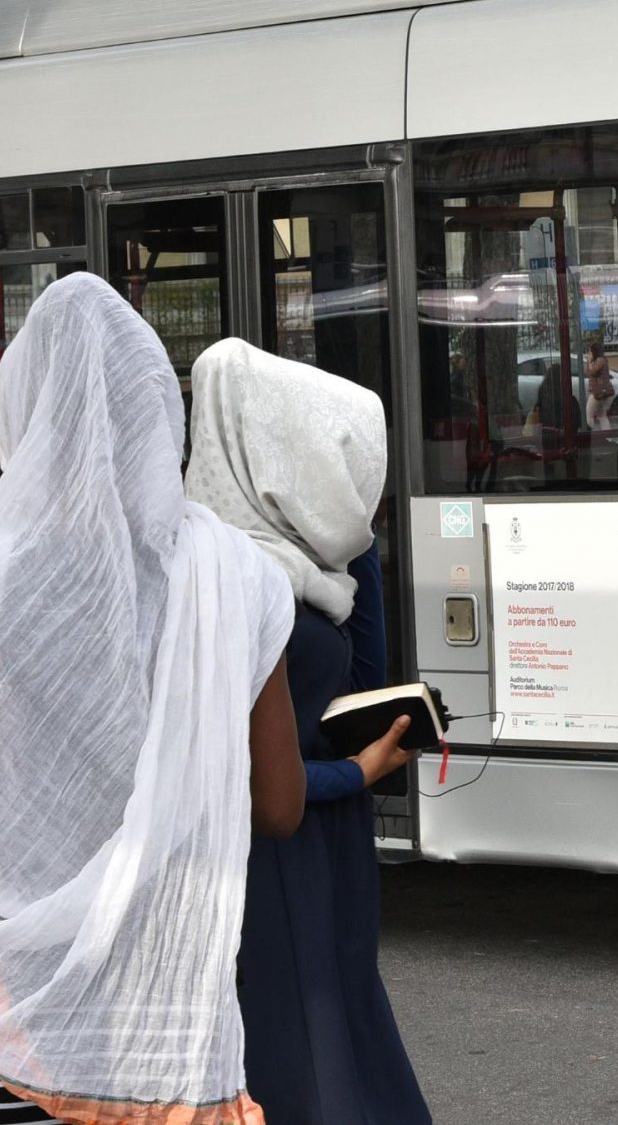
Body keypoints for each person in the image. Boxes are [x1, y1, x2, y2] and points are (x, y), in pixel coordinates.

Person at [0, 273, 304, 1124]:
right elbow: (277, 806)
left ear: (16, 415)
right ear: (155, 412)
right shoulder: (235, 580)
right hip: (160, 1017)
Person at [185, 339, 433, 1125]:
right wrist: (354, 776)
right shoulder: (220, 580)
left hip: (329, 844)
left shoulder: (309, 567)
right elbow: (251, 779)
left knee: (342, 1017)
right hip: (268, 851)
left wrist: (356, 555)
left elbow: (365, 687)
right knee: (300, 1054)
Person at [583, 338, 615, 430]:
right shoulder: (597, 361)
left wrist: (589, 361)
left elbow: (592, 372)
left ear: (594, 351)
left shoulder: (600, 360)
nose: (589, 353)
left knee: (589, 414)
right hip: (598, 391)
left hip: (597, 392)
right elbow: (587, 372)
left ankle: (591, 434)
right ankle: (607, 435)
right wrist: (590, 362)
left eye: (590, 351)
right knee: (601, 415)